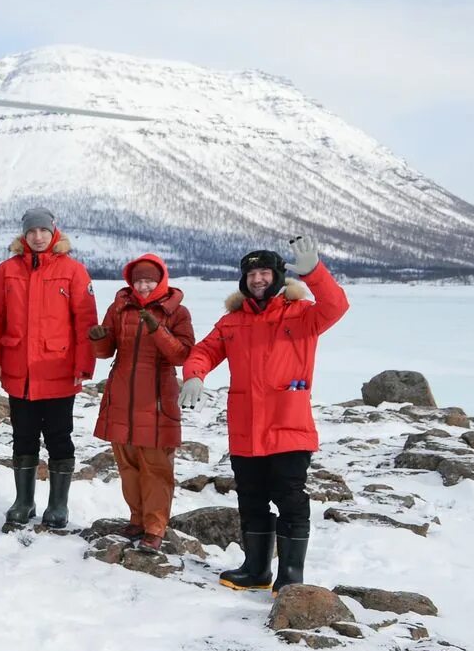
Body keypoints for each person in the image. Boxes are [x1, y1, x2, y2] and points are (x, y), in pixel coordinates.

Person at [180, 237, 349, 591]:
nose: (258, 279)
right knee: (251, 497)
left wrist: (315, 273)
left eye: (264, 272)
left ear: (278, 276)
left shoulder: (302, 314)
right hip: (245, 428)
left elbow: (336, 306)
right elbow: (204, 351)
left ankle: (290, 576)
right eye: (252, 273)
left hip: (288, 425)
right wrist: (194, 375)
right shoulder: (232, 321)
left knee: (291, 499)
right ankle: (256, 570)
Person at [0, 206, 97, 532]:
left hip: (59, 370)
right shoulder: (6, 271)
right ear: (24, 235)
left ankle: (58, 504)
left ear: (53, 234)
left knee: (59, 438)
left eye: (43, 232)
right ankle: (24, 501)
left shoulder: (73, 271)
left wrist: (84, 365)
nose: (37, 237)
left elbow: (86, 323)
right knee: (23, 438)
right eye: (31, 231)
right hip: (18, 371)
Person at [89, 255, 195, 552]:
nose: (144, 286)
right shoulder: (119, 307)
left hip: (157, 398)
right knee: (128, 465)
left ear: (161, 280)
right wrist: (98, 339)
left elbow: (181, 355)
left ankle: (155, 526)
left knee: (156, 468)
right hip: (122, 395)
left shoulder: (177, 312)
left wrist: (156, 329)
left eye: (149, 280)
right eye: (138, 281)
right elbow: (105, 352)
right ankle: (137, 518)